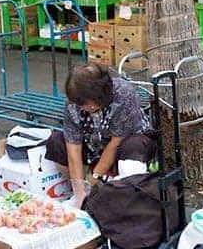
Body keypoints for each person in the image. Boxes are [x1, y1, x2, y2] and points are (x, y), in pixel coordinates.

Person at [45, 64, 156, 206]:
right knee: (56, 142)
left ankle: (127, 197)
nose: (83, 108)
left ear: (99, 95)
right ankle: (87, 193)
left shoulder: (123, 93)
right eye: (80, 104)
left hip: (124, 145)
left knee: (133, 146)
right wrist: (80, 191)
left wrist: (93, 179)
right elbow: (73, 148)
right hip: (95, 146)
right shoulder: (74, 103)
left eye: (87, 104)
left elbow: (116, 143)